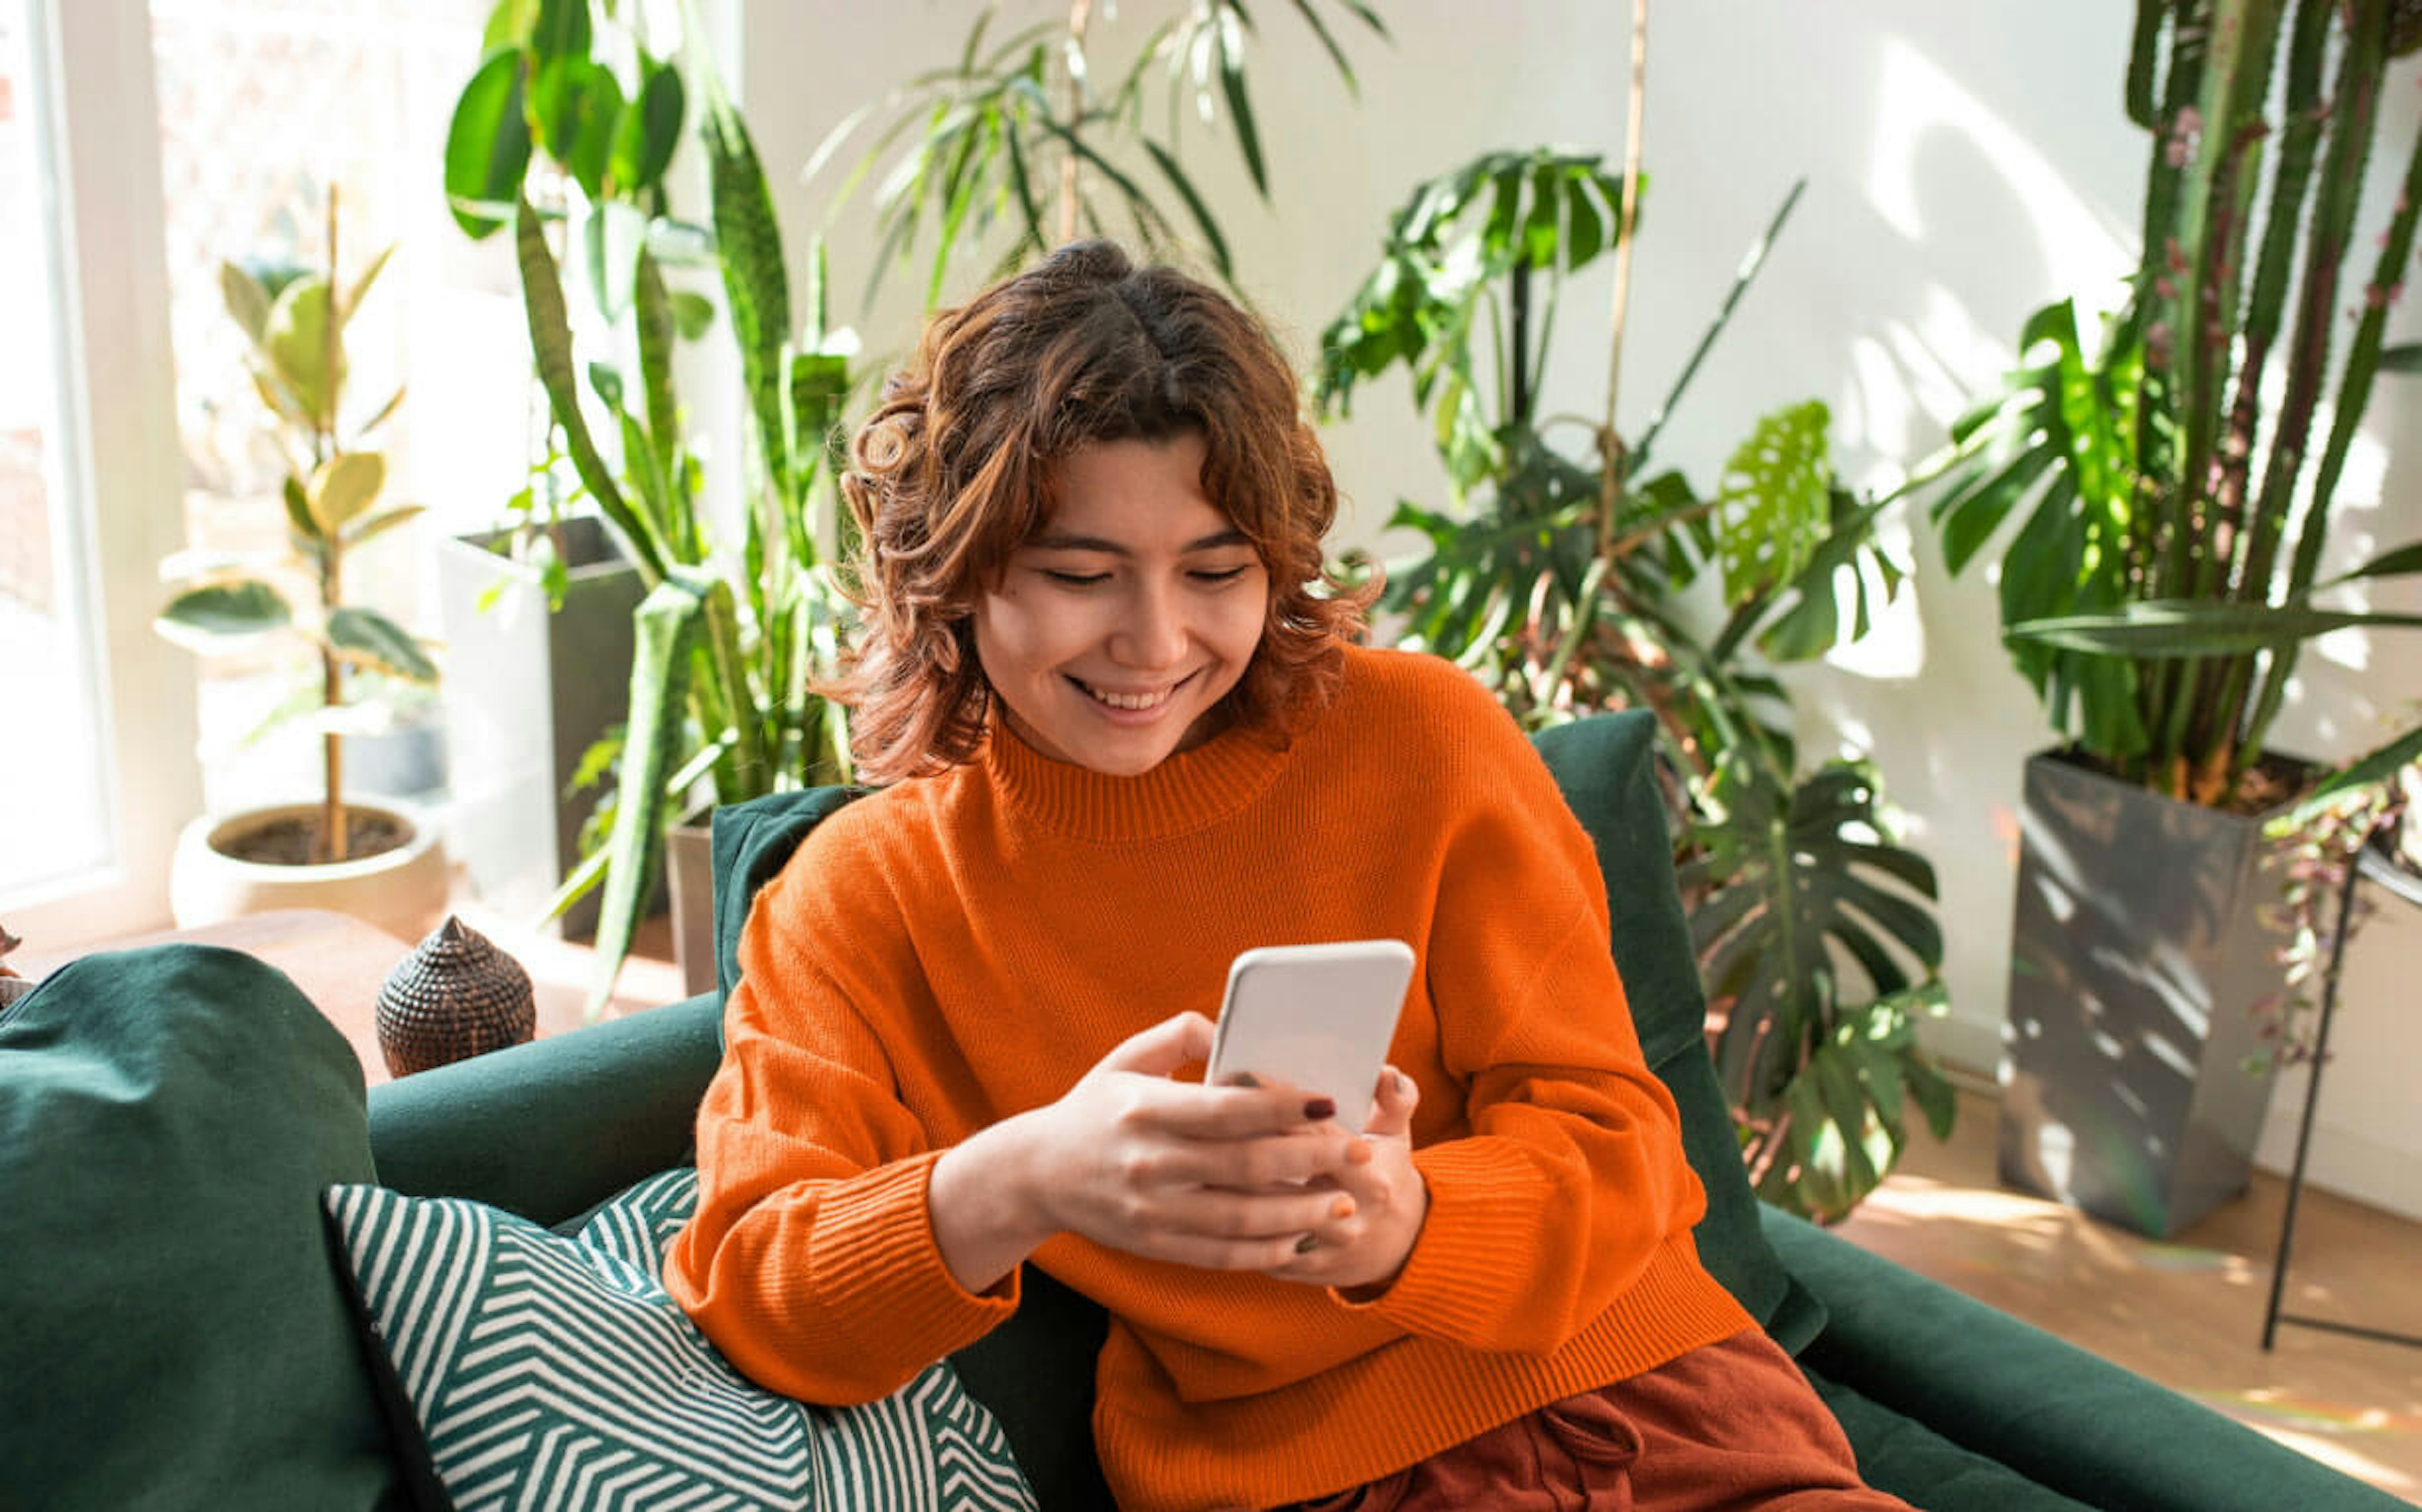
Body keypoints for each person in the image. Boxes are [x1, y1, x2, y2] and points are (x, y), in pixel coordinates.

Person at [665, 240, 1910, 1512]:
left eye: (1216, 572)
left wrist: (1407, 1217)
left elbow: (1622, 1144)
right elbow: (762, 1282)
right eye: (1081, 574)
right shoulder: (858, 899)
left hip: (1655, 1400)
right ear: (958, 567)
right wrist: (1034, 1170)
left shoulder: (1423, 738)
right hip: (1297, 1479)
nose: (1155, 642)